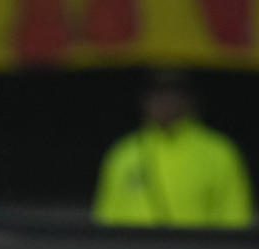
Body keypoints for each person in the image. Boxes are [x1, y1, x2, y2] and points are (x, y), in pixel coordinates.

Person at [93, 70, 253, 229]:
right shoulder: (123, 153)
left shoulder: (219, 152)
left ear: (190, 98)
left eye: (174, 90)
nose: (165, 99)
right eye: (157, 91)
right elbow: (105, 221)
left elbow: (235, 222)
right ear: (144, 99)